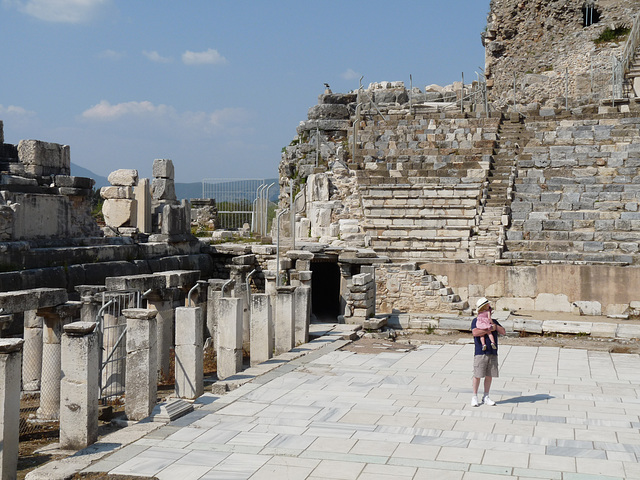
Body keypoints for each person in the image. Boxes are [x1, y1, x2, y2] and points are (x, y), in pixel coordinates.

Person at [471, 297, 506, 407]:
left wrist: (493, 325)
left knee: (489, 376)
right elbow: (475, 333)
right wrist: (488, 329)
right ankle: (474, 396)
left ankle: (486, 396)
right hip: (480, 352)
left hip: (492, 352)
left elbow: (503, 331)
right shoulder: (476, 321)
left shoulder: (494, 322)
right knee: (477, 375)